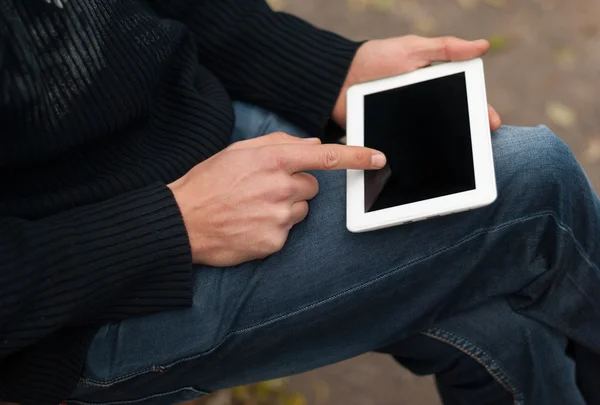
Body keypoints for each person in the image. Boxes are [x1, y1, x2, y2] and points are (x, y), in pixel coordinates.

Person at [0, 1, 598, 404]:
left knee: (499, 321)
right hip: (76, 291)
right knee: (533, 181)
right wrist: (170, 227)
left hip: (190, 121)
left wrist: (332, 68)